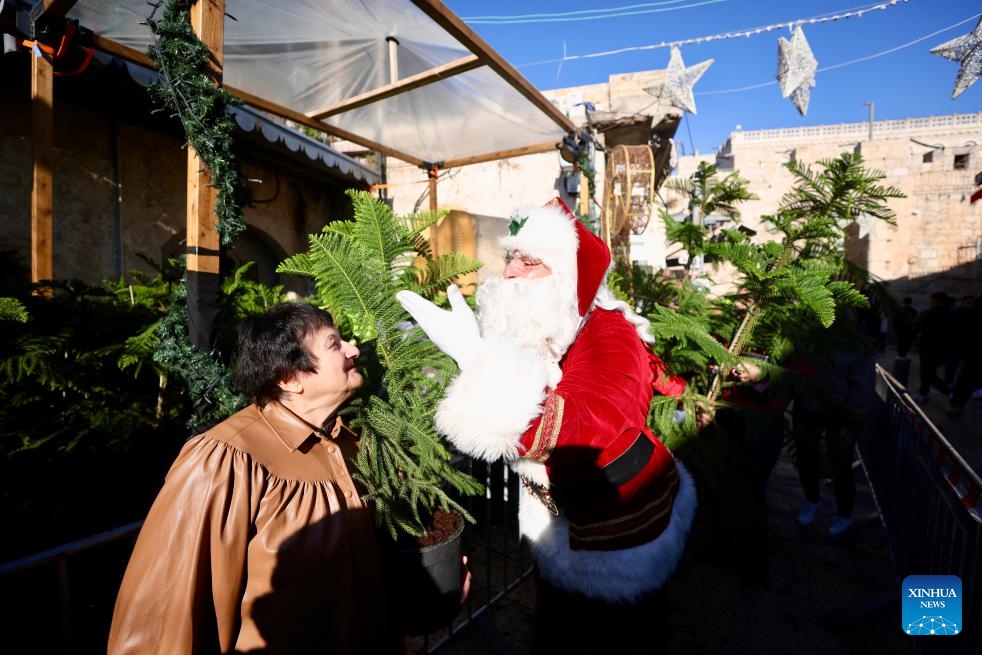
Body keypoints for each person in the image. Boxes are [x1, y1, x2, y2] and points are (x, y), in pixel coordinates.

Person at [397, 199, 697, 652]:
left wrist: (479, 362)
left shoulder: (609, 333)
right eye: (510, 258)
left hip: (616, 535)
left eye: (529, 261)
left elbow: (590, 429)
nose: (510, 272)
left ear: (567, 279)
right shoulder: (558, 326)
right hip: (569, 519)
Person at [108, 302, 401, 654]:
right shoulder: (225, 460)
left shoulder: (351, 444)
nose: (354, 349)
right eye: (334, 344)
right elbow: (163, 612)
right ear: (290, 377)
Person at [790, 311, 876, 538]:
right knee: (806, 457)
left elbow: (862, 386)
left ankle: (844, 515)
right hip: (806, 409)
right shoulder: (806, 338)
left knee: (841, 465)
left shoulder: (858, 346)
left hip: (840, 415)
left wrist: (853, 421)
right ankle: (811, 500)